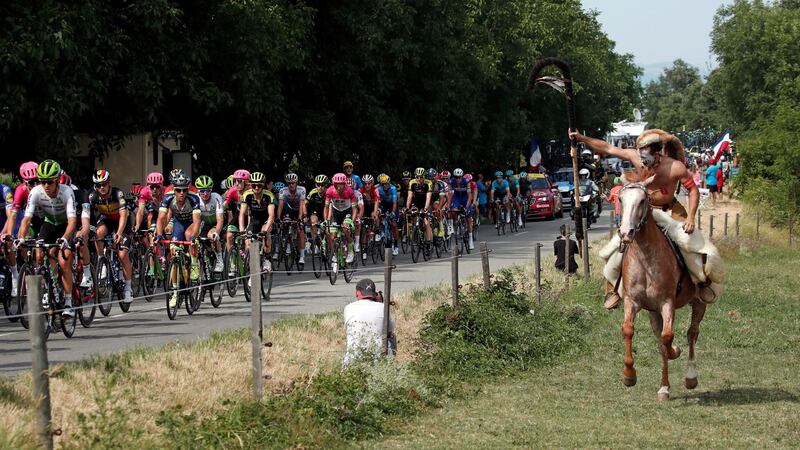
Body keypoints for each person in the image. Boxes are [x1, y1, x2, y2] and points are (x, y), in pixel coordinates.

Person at [570, 129, 721, 309]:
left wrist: (690, 217)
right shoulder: (636, 157)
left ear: (657, 152)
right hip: (644, 211)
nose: (643, 163)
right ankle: (613, 288)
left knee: (689, 243)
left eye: (646, 157)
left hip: (671, 210)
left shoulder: (675, 167)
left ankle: (700, 283)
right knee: (619, 244)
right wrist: (581, 138)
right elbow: (607, 147)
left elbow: (694, 190)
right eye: (641, 156)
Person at [342, 278, 396, 367]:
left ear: (357, 293)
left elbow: (347, 330)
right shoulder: (383, 307)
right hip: (378, 357)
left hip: (353, 357)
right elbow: (390, 330)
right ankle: (389, 366)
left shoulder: (348, 308)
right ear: (374, 294)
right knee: (391, 337)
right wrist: (380, 302)